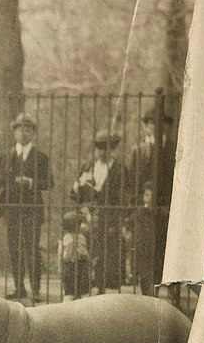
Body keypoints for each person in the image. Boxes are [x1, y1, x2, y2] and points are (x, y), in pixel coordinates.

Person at [0, 113, 53, 301]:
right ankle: (19, 287)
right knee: (14, 248)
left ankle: (35, 289)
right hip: (12, 209)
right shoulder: (6, 156)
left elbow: (49, 182)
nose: (23, 133)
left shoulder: (41, 157)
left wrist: (31, 182)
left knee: (31, 248)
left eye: (28, 129)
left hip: (31, 210)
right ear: (14, 133)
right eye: (20, 129)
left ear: (33, 133)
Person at [126, 107, 176, 296]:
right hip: (144, 208)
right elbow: (131, 181)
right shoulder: (138, 150)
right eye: (150, 123)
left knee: (164, 249)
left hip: (166, 207)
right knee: (144, 251)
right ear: (145, 126)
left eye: (159, 122)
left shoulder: (172, 148)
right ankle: (148, 293)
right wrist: (134, 206)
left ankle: (171, 292)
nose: (155, 126)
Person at [70, 130, 126, 293]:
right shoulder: (88, 167)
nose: (103, 152)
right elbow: (75, 194)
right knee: (86, 250)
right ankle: (83, 286)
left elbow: (123, 196)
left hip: (110, 217)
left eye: (107, 148)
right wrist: (84, 208)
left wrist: (117, 219)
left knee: (106, 253)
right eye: (100, 148)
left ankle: (103, 288)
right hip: (89, 215)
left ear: (113, 149)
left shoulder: (120, 169)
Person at [58, 210, 91, 301]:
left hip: (69, 265)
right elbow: (84, 252)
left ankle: (68, 306)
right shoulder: (81, 237)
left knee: (69, 290)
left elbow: (62, 254)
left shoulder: (66, 238)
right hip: (80, 264)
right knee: (81, 289)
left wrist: (60, 265)